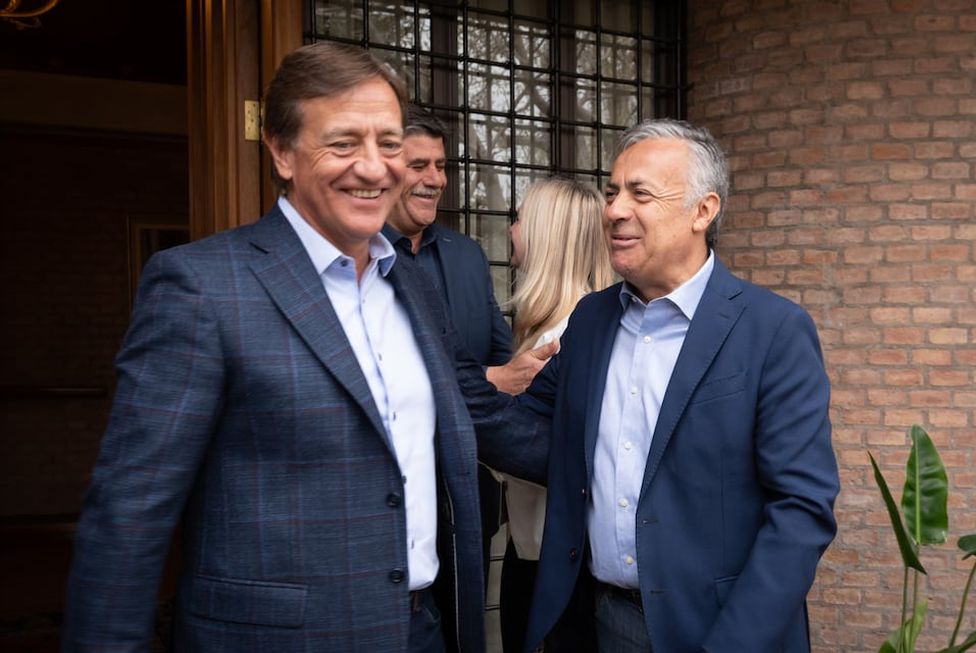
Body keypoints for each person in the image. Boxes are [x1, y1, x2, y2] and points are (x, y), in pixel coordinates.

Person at [60, 42, 546, 653]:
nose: (374, 168)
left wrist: (626, 459)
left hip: (421, 631)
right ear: (282, 152)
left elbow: (480, 410)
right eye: (344, 143)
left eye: (389, 143)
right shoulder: (202, 287)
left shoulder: (413, 285)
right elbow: (129, 517)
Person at [513, 119, 840, 653]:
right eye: (614, 191)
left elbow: (801, 510)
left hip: (716, 633)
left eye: (640, 193)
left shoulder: (772, 330)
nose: (615, 209)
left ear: (702, 211)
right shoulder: (592, 319)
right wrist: (453, 382)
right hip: (594, 623)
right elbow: (529, 427)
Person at [381, 107, 557, 586]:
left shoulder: (466, 256)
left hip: (468, 490)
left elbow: (502, 363)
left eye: (441, 167)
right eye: (420, 166)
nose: (435, 180)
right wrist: (490, 380)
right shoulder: (358, 258)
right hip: (385, 501)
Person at [496, 178, 614, 653]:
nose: (510, 230)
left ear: (547, 236)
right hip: (530, 548)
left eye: (520, 218)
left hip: (550, 561)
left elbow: (534, 447)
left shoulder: (566, 335)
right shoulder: (553, 326)